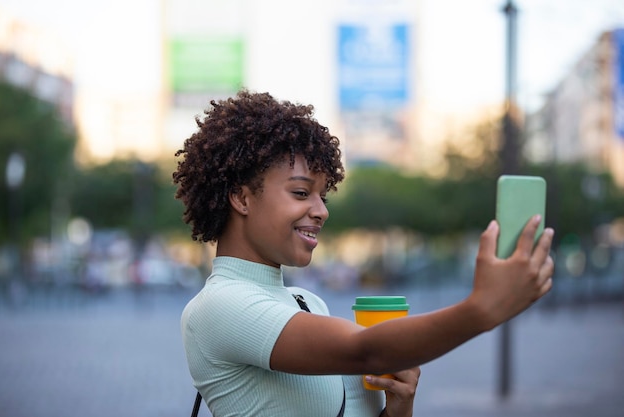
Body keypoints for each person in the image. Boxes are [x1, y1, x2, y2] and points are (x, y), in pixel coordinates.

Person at [174, 90, 554, 417]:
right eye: (302, 193)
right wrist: (482, 309)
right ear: (241, 197)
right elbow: (366, 350)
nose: (321, 210)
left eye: (323, 195)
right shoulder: (217, 307)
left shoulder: (308, 304)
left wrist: (397, 409)